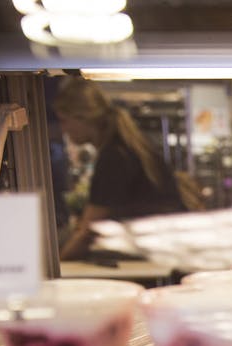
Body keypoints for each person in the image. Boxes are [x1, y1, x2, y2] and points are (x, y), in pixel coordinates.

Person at [51, 77, 199, 260]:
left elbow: (88, 230)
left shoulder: (114, 157)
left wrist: (60, 264)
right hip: (163, 253)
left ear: (83, 117)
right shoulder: (124, 146)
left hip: (155, 256)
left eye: (64, 121)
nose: (64, 130)